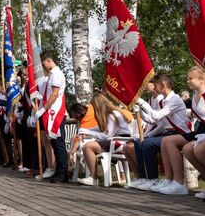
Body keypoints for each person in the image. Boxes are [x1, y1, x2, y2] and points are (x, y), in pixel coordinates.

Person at [156, 67, 205, 196]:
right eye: (187, 79)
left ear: (201, 79)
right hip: (201, 130)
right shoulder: (195, 95)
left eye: (190, 79)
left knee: (188, 147)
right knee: (169, 141)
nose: (187, 82)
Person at [129, 73, 189, 190]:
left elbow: (156, 116)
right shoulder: (165, 101)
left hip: (178, 133)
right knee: (139, 142)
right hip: (169, 133)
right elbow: (153, 120)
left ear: (162, 85)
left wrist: (142, 103)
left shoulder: (175, 99)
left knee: (147, 144)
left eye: (155, 85)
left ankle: (153, 179)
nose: (154, 88)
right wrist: (140, 112)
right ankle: (146, 177)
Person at [73, 92, 133, 186]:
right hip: (115, 143)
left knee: (88, 147)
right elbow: (100, 128)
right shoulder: (109, 114)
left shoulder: (113, 115)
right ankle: (93, 177)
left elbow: (106, 135)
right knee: (88, 146)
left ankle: (93, 178)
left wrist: (87, 132)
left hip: (119, 144)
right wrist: (85, 130)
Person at [29, 51, 68, 183]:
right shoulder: (52, 74)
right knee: (55, 144)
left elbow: (55, 94)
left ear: (48, 60)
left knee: (59, 143)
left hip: (55, 112)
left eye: (44, 63)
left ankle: (63, 173)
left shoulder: (56, 74)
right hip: (52, 112)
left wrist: (43, 109)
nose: (43, 66)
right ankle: (58, 172)